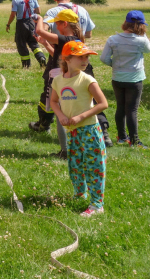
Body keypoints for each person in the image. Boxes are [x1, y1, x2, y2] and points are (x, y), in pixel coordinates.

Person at [50, 41, 109, 218]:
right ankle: (80, 194)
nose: (85, 60)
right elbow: (53, 101)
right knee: (75, 165)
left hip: (89, 130)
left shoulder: (87, 80)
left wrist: (82, 116)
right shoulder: (58, 80)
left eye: (87, 57)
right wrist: (60, 115)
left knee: (93, 166)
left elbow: (103, 103)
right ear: (66, 59)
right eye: (80, 57)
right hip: (72, 131)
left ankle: (97, 204)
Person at [29, 9, 98, 154]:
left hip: (61, 79)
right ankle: (68, 148)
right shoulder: (74, 40)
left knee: (61, 113)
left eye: (58, 24)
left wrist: (40, 19)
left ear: (65, 24)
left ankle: (65, 150)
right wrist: (45, 45)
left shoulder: (65, 39)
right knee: (63, 111)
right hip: (65, 77)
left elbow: (40, 30)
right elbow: (59, 57)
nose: (56, 27)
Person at [100, 11, 150, 148]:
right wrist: (144, 35)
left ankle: (122, 137)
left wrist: (115, 65)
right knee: (132, 110)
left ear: (125, 23)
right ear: (141, 26)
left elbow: (103, 58)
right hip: (135, 79)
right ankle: (135, 141)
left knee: (121, 107)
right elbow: (149, 49)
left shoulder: (113, 39)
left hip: (117, 78)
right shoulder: (141, 41)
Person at [5, 0, 47, 68]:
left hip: (22, 23)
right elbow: (38, 11)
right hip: (32, 22)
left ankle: (26, 65)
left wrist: (8, 24)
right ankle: (41, 57)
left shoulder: (15, 0)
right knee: (33, 42)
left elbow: (13, 14)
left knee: (21, 43)